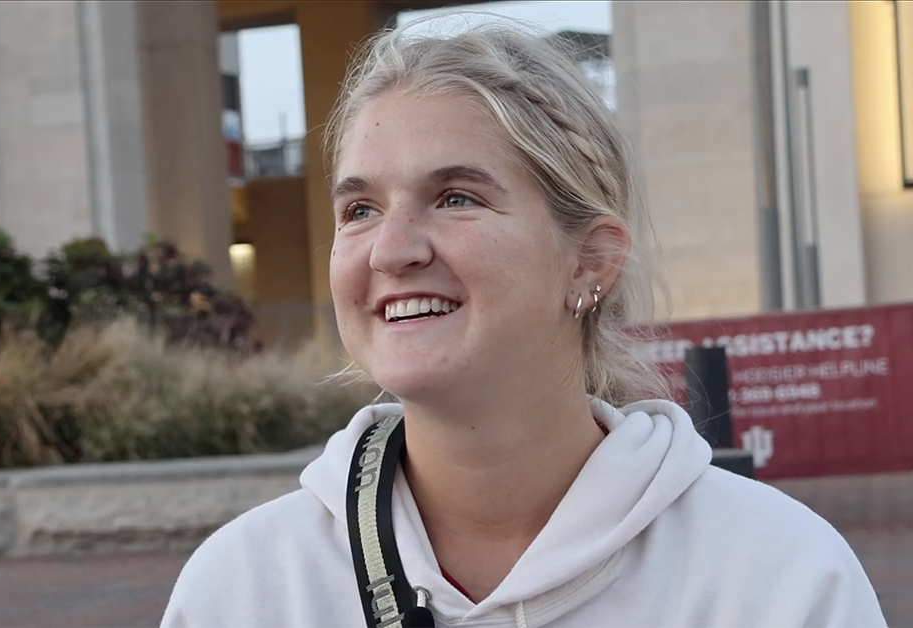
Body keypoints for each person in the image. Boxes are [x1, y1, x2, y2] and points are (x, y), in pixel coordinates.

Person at [160, 16, 887, 628]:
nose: (391, 250)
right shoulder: (244, 591)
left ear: (591, 261)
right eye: (361, 210)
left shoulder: (779, 580)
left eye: (456, 198)